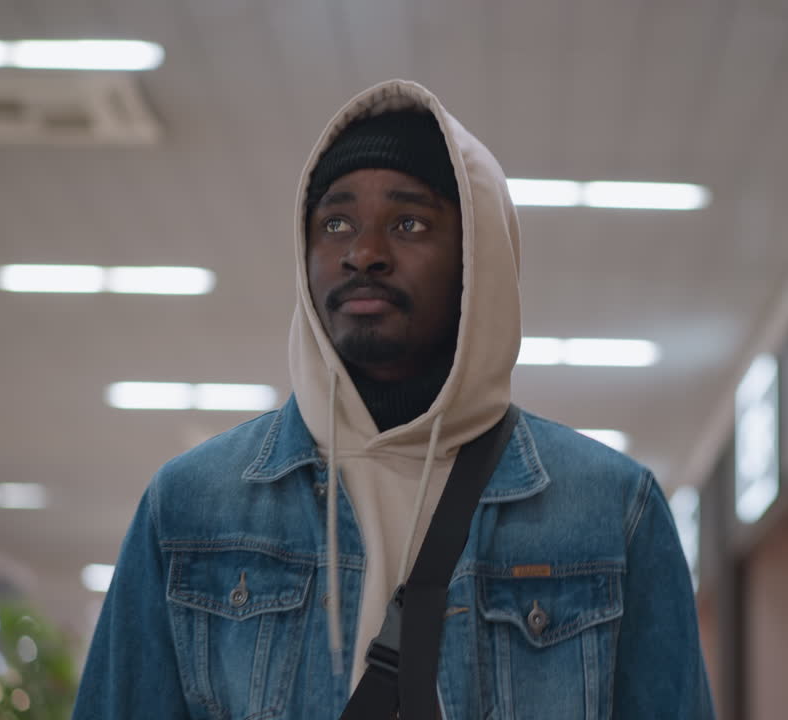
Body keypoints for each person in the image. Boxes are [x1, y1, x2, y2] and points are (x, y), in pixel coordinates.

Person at [73, 79, 714, 719]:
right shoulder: (192, 507)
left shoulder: (609, 509)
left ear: (475, 260)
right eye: (336, 222)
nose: (364, 253)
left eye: (408, 223)